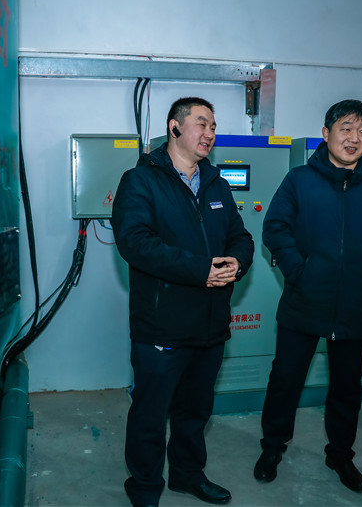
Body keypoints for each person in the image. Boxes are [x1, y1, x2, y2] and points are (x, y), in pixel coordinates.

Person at [253, 99, 362, 494]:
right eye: (346, 129)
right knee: (285, 379)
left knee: (347, 386)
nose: (354, 138)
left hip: (354, 302)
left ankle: (340, 454)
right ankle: (272, 447)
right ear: (326, 134)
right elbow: (275, 227)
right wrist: (299, 271)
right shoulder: (300, 180)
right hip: (304, 299)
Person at [111, 96, 254, 507]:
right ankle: (144, 487)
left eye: (213, 126)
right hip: (162, 323)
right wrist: (200, 270)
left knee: (194, 411)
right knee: (151, 414)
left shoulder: (216, 184)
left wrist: (237, 262)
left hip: (210, 323)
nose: (210, 133)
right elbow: (135, 243)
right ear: (174, 128)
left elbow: (240, 236)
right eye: (201, 124)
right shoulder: (141, 181)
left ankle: (187, 475)